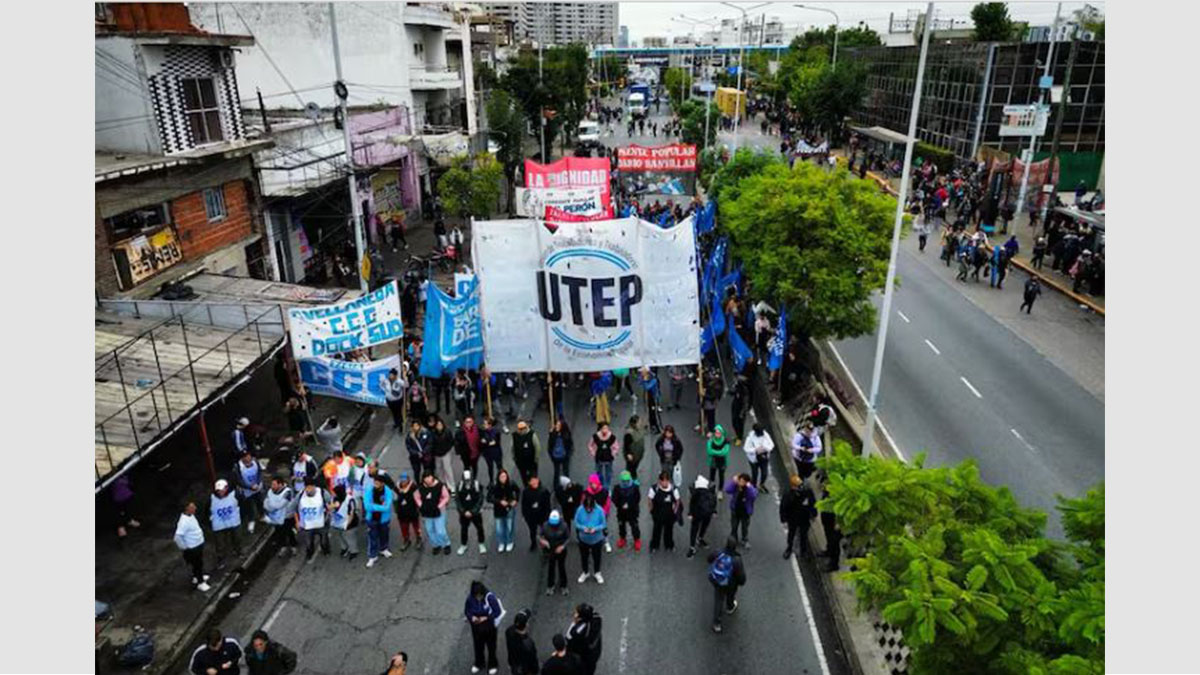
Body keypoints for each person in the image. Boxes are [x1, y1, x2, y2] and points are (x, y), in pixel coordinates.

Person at [464, 580, 506, 675]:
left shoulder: (490, 598)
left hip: (489, 627)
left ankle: (493, 664)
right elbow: (467, 611)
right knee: (478, 646)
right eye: (476, 596)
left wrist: (486, 617)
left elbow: (497, 611)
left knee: (491, 647)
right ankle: (479, 663)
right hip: (476, 627)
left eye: (480, 595)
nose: (478, 598)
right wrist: (471, 617)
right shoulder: (470, 599)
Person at [708, 536, 748, 633]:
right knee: (731, 594)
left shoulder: (718, 552)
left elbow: (709, 559)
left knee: (718, 600)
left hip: (717, 580)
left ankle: (717, 624)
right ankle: (730, 607)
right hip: (729, 583)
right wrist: (740, 582)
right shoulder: (736, 559)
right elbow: (741, 577)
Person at [174, 501, 211, 592]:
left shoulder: (191, 516)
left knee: (198, 563)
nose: (195, 508)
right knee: (197, 564)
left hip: (198, 544)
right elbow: (177, 537)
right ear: (187, 508)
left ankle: (196, 577)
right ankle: (200, 583)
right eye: (192, 506)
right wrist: (184, 547)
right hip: (193, 547)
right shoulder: (183, 522)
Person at [779, 475, 817, 559]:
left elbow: (813, 503)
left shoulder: (807, 492)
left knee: (804, 535)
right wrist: (783, 519)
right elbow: (783, 507)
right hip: (793, 518)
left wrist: (814, 514)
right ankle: (789, 548)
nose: (800, 487)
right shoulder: (788, 494)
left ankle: (803, 551)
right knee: (791, 534)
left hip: (804, 518)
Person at [294, 479, 332, 562]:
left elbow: (330, 503)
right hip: (307, 526)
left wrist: (329, 514)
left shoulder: (322, 493)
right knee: (308, 542)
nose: (308, 490)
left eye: (310, 488)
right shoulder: (300, 495)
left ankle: (326, 550)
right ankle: (310, 553)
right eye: (306, 488)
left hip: (321, 523)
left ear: (314, 486)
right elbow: (294, 508)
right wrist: (297, 521)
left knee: (324, 540)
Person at [414, 472, 452, 555]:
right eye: (426, 477)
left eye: (429, 477)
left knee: (440, 531)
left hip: (439, 511)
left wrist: (439, 506)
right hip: (427, 512)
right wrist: (421, 505)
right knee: (430, 530)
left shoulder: (440, 486)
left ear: (433, 477)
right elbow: (416, 496)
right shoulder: (420, 487)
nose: (427, 479)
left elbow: (446, 497)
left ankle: (446, 544)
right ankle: (436, 545)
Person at [208, 479, 243, 567]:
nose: (221, 492)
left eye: (222, 489)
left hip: (234, 522)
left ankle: (238, 551)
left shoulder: (234, 494)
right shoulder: (211, 499)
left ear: (227, 488)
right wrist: (210, 520)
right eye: (218, 490)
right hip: (219, 525)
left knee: (237, 538)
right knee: (220, 544)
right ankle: (221, 559)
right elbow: (207, 512)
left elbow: (241, 503)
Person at [362, 476, 396, 566]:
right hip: (372, 519)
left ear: (383, 483)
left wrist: (373, 506)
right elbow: (367, 506)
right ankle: (372, 556)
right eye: (375, 482)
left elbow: (387, 507)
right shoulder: (369, 490)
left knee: (384, 535)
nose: (375, 484)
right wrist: (380, 507)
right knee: (372, 538)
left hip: (384, 519)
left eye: (377, 483)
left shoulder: (388, 491)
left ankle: (383, 549)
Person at [574, 493, 607, 584]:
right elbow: (576, 523)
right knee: (584, 557)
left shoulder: (600, 510)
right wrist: (583, 528)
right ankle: (585, 572)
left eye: (590, 507)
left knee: (597, 557)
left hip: (597, 539)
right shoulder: (580, 510)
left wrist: (595, 529)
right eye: (586, 507)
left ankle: (597, 572)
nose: (588, 509)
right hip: (583, 539)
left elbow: (603, 524)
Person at [647, 471, 682, 553]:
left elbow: (678, 500)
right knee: (656, 530)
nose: (665, 483)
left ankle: (669, 545)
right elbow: (650, 499)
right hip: (657, 514)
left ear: (669, 481)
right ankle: (654, 545)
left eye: (666, 481)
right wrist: (651, 509)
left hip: (669, 515)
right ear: (659, 481)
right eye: (663, 481)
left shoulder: (674, 489)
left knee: (669, 531)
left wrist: (675, 510)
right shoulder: (654, 489)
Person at [539, 510, 572, 596]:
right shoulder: (545, 525)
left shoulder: (564, 526)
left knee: (562, 567)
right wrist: (543, 541)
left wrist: (562, 546)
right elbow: (539, 535)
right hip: (550, 549)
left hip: (561, 549)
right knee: (551, 567)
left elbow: (568, 538)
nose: (554, 526)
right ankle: (550, 586)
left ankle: (564, 586)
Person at [456, 470, 487, 555]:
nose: (468, 482)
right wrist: (463, 511)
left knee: (479, 528)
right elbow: (457, 501)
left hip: (476, 513)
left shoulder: (477, 485)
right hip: (464, 513)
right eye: (466, 480)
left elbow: (480, 499)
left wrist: (473, 511)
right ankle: (463, 545)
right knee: (464, 529)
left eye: (469, 480)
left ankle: (481, 543)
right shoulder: (459, 486)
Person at [264, 477, 297, 557]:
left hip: (287, 516)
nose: (272, 486)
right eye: (272, 484)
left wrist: (271, 506)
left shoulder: (287, 492)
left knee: (289, 531)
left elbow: (280, 505)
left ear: (280, 484)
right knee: (279, 532)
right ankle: (283, 546)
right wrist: (271, 507)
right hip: (276, 517)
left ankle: (293, 546)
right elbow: (265, 503)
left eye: (274, 484)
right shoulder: (270, 492)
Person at [566, 604, 603, 675]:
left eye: (576, 613)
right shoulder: (597, 619)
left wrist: (574, 623)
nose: (574, 614)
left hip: (585, 656)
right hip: (595, 651)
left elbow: (569, 636)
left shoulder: (579, 631)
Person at [232, 450, 264, 533]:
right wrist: (249, 487)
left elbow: (259, 472)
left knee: (260, 502)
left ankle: (262, 516)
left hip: (257, 487)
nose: (248, 458)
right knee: (249, 507)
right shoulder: (238, 467)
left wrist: (258, 483)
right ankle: (251, 521)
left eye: (248, 456)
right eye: (245, 456)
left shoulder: (255, 462)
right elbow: (238, 480)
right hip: (246, 491)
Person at [490, 468, 520, 553]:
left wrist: (516, 500)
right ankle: (501, 542)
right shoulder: (494, 486)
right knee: (499, 528)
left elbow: (518, 491)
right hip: (498, 510)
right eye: (501, 477)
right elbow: (489, 497)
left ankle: (510, 541)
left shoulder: (511, 484)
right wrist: (499, 501)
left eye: (505, 476)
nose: (503, 479)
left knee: (509, 527)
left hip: (509, 508)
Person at [725, 474, 759, 549]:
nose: (741, 483)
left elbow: (753, 495)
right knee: (734, 526)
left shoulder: (749, 489)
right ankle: (734, 539)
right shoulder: (736, 486)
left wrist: (749, 487)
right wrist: (733, 482)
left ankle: (744, 540)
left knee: (745, 527)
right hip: (735, 510)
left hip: (745, 512)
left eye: (743, 482)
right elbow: (728, 490)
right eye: (740, 481)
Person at [611, 471, 642, 552]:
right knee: (621, 525)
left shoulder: (635, 487)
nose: (625, 483)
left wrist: (629, 505)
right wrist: (621, 505)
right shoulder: (617, 488)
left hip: (632, 511)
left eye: (627, 481)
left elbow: (637, 498)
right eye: (623, 481)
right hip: (621, 511)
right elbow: (614, 499)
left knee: (634, 526)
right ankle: (622, 538)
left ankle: (637, 539)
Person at [329, 484, 360, 562]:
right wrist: (332, 507)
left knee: (350, 537)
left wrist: (347, 525)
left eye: (335, 493)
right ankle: (344, 548)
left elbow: (351, 514)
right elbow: (330, 508)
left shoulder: (350, 500)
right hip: (338, 523)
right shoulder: (335, 498)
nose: (334, 494)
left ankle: (353, 551)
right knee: (340, 536)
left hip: (350, 523)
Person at [393, 471, 423, 552]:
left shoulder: (414, 487)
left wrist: (419, 509)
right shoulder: (396, 488)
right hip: (402, 512)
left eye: (405, 481)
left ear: (408, 480)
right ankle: (406, 540)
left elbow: (418, 499)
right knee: (404, 527)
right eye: (402, 481)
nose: (403, 483)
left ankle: (418, 539)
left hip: (413, 511)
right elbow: (395, 500)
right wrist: (396, 510)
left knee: (416, 527)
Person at [522, 475, 552, 551]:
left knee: (544, 531)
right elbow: (524, 505)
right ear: (529, 482)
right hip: (531, 516)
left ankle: (545, 546)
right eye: (532, 481)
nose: (534, 482)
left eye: (535, 480)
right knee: (532, 531)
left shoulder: (544, 491)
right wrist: (525, 515)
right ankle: (533, 543)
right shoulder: (526, 492)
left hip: (542, 515)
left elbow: (548, 505)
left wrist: (547, 515)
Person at [587, 422, 620, 491]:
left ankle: (607, 487)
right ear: (600, 429)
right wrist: (593, 453)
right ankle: (600, 484)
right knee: (599, 473)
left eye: (607, 428)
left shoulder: (612, 437)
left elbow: (616, 446)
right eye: (603, 428)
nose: (605, 430)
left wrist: (613, 453)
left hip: (609, 458)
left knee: (608, 473)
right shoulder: (595, 436)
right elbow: (590, 445)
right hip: (599, 458)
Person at [505, 609, 540, 675]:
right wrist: (535, 670)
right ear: (526, 624)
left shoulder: (509, 631)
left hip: (514, 664)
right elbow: (532, 659)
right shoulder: (528, 644)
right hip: (524, 669)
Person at [743, 424, 774, 492]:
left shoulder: (765, 435)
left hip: (764, 458)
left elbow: (771, 445)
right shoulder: (750, 438)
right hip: (754, 460)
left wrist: (765, 448)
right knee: (755, 474)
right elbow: (746, 448)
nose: (762, 433)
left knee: (764, 473)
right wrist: (755, 450)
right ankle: (753, 485)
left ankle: (761, 485)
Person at [512, 420, 541, 487]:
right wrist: (514, 458)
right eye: (519, 429)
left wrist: (536, 459)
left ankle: (534, 487)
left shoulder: (532, 435)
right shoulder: (515, 436)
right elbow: (512, 448)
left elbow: (537, 447)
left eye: (522, 429)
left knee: (533, 476)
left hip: (531, 461)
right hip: (520, 461)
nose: (520, 431)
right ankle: (526, 487)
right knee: (523, 476)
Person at [430, 417, 456, 491]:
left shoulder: (447, 432)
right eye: (437, 425)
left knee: (448, 470)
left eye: (440, 425)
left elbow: (451, 442)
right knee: (439, 470)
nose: (439, 426)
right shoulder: (433, 433)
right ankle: (442, 485)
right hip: (437, 455)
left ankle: (451, 486)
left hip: (445, 453)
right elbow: (431, 443)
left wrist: (446, 449)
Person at [706, 425, 731, 496]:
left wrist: (714, 452)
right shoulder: (711, 440)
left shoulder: (726, 441)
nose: (717, 434)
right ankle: (712, 488)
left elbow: (725, 452)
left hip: (722, 462)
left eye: (719, 433)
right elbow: (709, 451)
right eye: (716, 432)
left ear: (722, 433)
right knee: (712, 475)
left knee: (721, 476)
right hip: (713, 461)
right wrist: (720, 452)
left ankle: (720, 490)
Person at [456, 415, 483, 480]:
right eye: (467, 422)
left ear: (473, 422)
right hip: (466, 454)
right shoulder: (460, 432)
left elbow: (482, 437)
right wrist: (460, 452)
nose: (468, 424)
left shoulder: (477, 429)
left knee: (474, 466)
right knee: (466, 467)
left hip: (475, 453)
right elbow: (457, 444)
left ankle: (474, 479)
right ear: (464, 423)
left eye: (470, 422)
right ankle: (467, 480)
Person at [547, 419, 574, 486]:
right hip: (555, 456)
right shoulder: (553, 433)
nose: (557, 426)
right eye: (557, 425)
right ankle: (556, 485)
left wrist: (568, 454)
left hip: (564, 456)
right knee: (557, 471)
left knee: (565, 471)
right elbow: (550, 444)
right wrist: (551, 433)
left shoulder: (566, 434)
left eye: (559, 425)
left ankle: (567, 484)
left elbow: (570, 445)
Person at [405, 421, 431, 486]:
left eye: (417, 426)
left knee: (427, 470)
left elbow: (429, 443)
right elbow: (409, 447)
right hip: (415, 457)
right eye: (414, 426)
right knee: (416, 471)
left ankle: (426, 482)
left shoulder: (425, 433)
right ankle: (418, 484)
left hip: (425, 455)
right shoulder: (409, 436)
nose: (415, 427)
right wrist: (416, 453)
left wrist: (423, 452)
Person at [621, 415, 646, 482]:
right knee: (631, 469)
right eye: (639, 422)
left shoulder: (638, 429)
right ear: (634, 423)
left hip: (637, 454)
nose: (640, 423)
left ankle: (630, 479)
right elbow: (626, 445)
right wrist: (628, 454)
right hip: (632, 455)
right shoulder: (629, 433)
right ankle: (629, 481)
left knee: (634, 467)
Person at [480, 417, 504, 484]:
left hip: (496, 452)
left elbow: (495, 442)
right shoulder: (483, 432)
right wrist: (489, 442)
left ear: (490, 425)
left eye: (485, 424)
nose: (484, 425)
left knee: (499, 467)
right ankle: (491, 481)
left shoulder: (496, 432)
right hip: (487, 453)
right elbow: (483, 441)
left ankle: (501, 480)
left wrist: (486, 442)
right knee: (490, 468)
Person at [729, 376, 749, 445]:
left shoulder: (745, 391)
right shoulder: (737, 388)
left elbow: (746, 403)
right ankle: (737, 435)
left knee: (740, 424)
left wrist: (742, 412)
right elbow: (733, 392)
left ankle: (739, 438)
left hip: (741, 410)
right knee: (734, 422)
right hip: (735, 407)